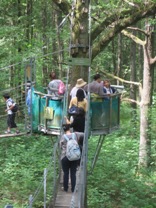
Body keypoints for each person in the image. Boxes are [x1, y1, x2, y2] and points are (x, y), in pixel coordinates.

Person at [60, 124, 84, 192]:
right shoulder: (75, 134)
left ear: (63, 130)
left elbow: (60, 146)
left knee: (65, 173)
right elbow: (84, 134)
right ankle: (73, 189)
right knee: (73, 173)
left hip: (65, 157)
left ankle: (65, 188)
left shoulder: (63, 137)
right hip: (74, 156)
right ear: (70, 129)